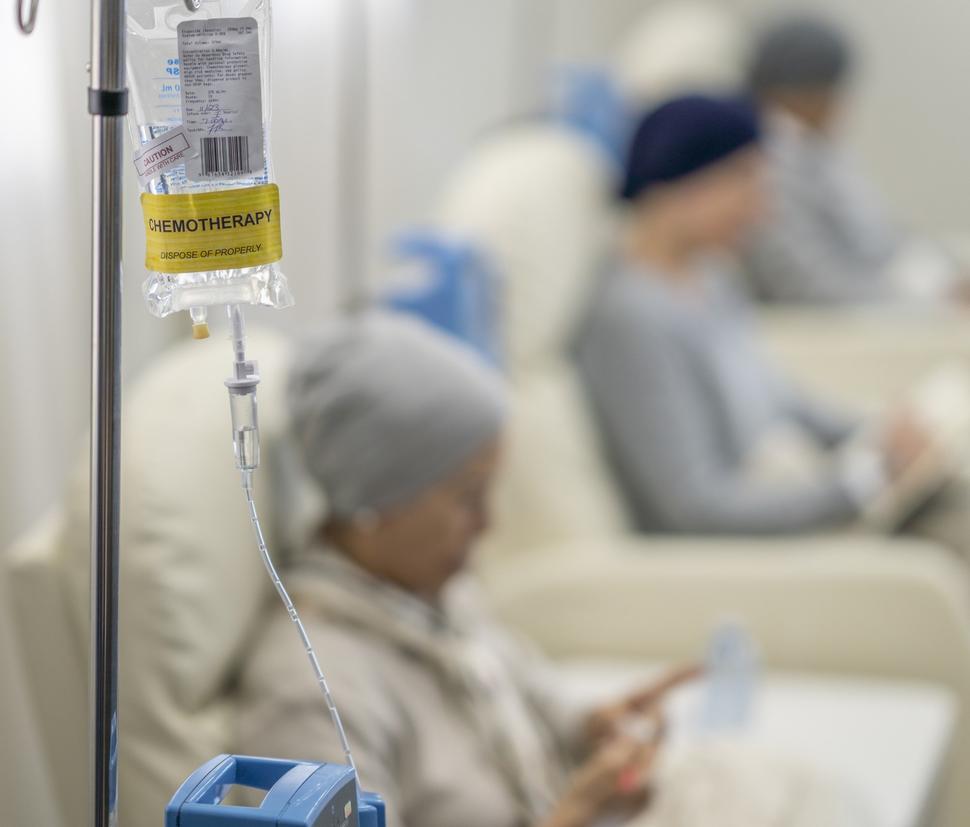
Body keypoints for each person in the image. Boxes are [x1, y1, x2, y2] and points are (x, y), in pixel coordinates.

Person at [236, 312, 695, 827]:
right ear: (376, 499)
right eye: (469, 497)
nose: (488, 524)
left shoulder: (429, 599)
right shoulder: (314, 693)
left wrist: (594, 730)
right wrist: (571, 817)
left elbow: (523, 700)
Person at [574, 95, 934, 536]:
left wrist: (878, 433)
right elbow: (693, 506)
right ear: (679, 181)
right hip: (727, 562)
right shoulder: (630, 319)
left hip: (778, 496)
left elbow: (779, 399)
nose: (761, 209)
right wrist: (857, 487)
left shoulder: (710, 279)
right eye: (744, 181)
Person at [742, 15, 961, 305]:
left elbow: (880, 238)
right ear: (803, 93)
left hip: (885, 303)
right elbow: (809, 286)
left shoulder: (816, 150)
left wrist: (942, 280)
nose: (839, 106)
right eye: (832, 92)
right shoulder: (764, 164)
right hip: (842, 326)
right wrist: (929, 301)